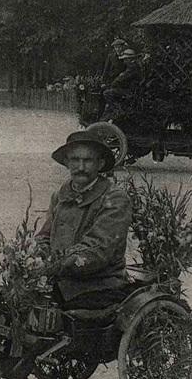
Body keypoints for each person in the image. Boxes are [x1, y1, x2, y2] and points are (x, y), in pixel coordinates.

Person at [37, 131, 133, 310]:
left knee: (59, 322)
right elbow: (45, 236)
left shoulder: (115, 199)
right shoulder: (60, 196)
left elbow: (98, 249)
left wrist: (53, 266)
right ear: (67, 162)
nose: (80, 167)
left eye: (88, 161)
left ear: (100, 164)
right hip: (59, 280)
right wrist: (35, 257)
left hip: (98, 285)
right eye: (74, 160)